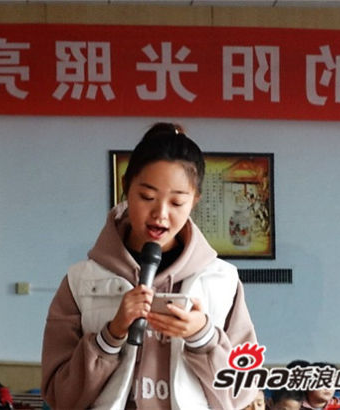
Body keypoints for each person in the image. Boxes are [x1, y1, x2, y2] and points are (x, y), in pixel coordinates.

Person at [41, 122, 258, 409]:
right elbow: (59, 396)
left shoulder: (221, 281)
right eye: (147, 197)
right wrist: (110, 336)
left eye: (177, 202)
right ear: (126, 187)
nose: (160, 214)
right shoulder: (80, 281)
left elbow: (243, 392)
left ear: (195, 201)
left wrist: (203, 337)